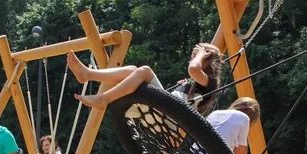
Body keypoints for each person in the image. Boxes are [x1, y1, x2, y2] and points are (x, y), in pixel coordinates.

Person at [67, 43, 222, 116]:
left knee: (145, 71)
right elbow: (192, 71)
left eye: (195, 56)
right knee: (133, 70)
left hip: (170, 118)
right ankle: (88, 74)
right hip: (166, 111)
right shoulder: (195, 84)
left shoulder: (211, 83)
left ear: (207, 59)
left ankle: (102, 99)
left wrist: (202, 54)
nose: (192, 59)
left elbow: (193, 69)